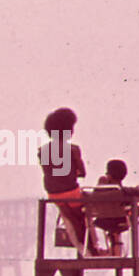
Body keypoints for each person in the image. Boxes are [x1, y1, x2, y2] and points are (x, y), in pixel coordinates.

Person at [37, 107, 90, 252]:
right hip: (71, 192)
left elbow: (48, 172)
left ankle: (84, 248)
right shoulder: (73, 149)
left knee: (72, 219)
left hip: (54, 194)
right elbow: (82, 173)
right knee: (86, 215)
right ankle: (91, 249)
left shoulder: (42, 151)